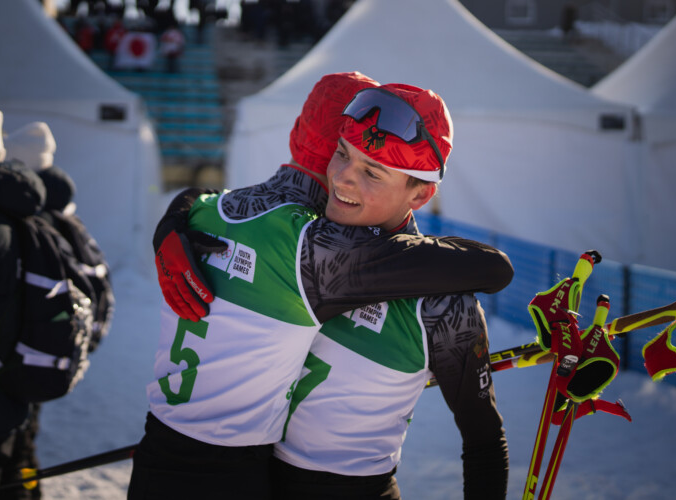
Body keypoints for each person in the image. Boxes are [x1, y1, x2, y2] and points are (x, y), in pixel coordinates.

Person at [129, 73, 513, 499]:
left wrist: (177, 214)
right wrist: (173, 220)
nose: (343, 178)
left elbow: (483, 443)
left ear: (420, 195)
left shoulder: (444, 303)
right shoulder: (307, 244)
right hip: (247, 478)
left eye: (372, 171)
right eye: (341, 154)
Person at [0, 113, 113, 500]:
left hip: (11, 367)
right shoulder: (57, 217)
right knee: (20, 451)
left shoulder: (16, 220)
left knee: (14, 454)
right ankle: (29, 490)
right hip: (29, 358)